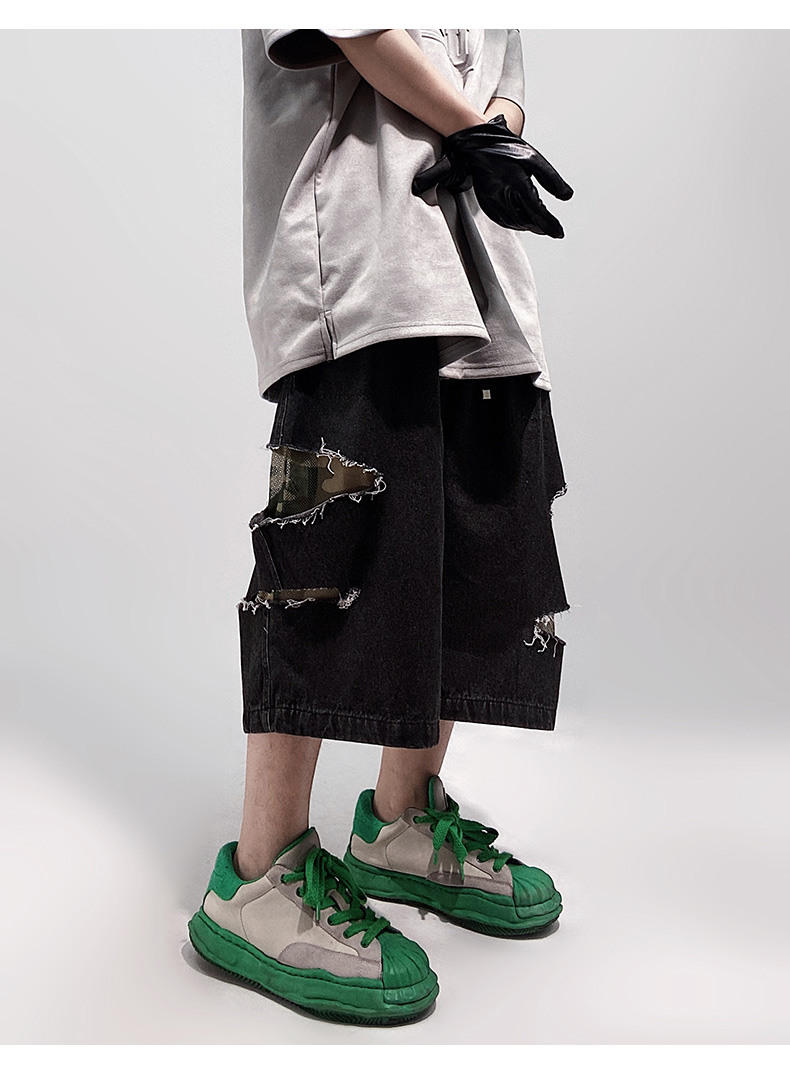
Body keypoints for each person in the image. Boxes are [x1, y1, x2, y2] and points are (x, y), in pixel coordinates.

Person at [188, 28, 574, 1027]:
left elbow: (502, 80)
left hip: (478, 278)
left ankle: (403, 820)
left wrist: (496, 132)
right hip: (358, 263)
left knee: (474, 544)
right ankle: (258, 876)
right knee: (327, 560)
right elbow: (355, 26)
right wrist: (473, 134)